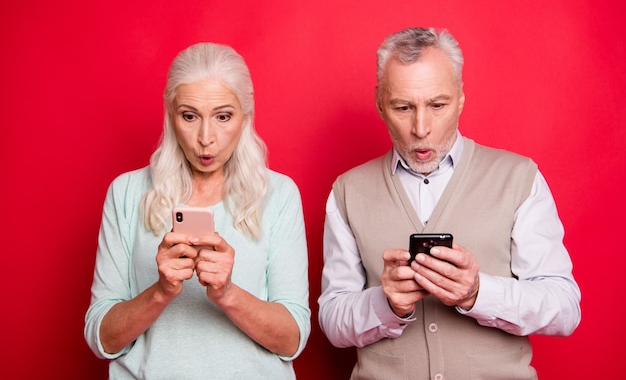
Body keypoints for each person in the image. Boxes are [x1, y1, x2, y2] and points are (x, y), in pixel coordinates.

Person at [318, 27, 581, 380]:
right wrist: (386, 302)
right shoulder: (348, 190)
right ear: (380, 102)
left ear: (460, 98)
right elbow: (333, 322)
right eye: (403, 107)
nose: (421, 127)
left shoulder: (518, 178)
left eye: (437, 105)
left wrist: (477, 293)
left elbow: (564, 309)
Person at [84, 43, 310, 380]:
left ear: (244, 117)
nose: (206, 138)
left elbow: (292, 341)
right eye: (190, 116)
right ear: (171, 115)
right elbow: (101, 338)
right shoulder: (128, 192)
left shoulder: (278, 195)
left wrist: (228, 293)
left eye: (223, 117)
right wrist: (161, 291)